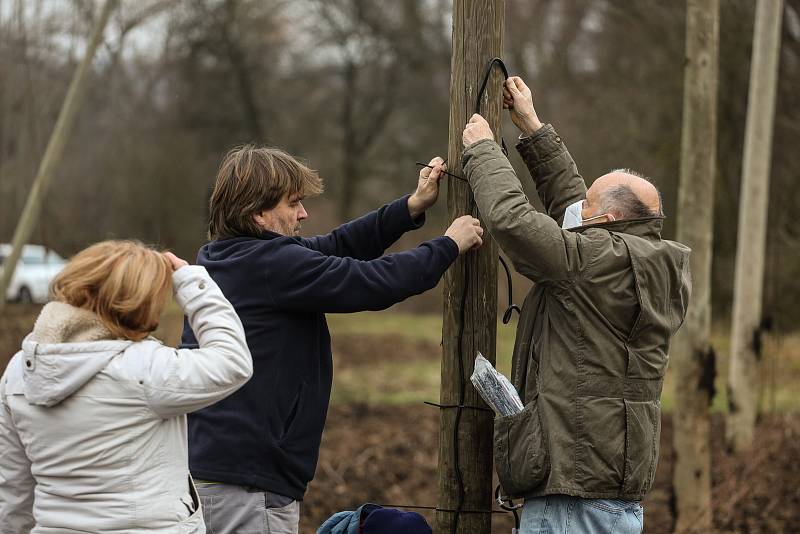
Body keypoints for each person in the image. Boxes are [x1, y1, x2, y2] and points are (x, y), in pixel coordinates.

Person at [180, 146, 483, 534]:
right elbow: (371, 283)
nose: (303, 214)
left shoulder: (226, 258)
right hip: (250, 484)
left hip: (221, 472)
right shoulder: (274, 266)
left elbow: (336, 246)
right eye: (293, 204)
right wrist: (448, 245)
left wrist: (409, 207)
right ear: (257, 212)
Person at [460, 77, 691, 534]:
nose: (576, 211)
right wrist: (531, 128)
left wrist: (483, 151)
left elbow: (515, 222)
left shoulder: (592, 262)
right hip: (610, 491)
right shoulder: (646, 261)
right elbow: (573, 206)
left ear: (606, 221)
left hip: (573, 495)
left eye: (588, 207)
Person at [0, 240, 253, 533]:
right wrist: (192, 282)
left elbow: (11, 488)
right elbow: (233, 361)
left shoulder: (21, 370)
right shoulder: (143, 369)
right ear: (138, 303)